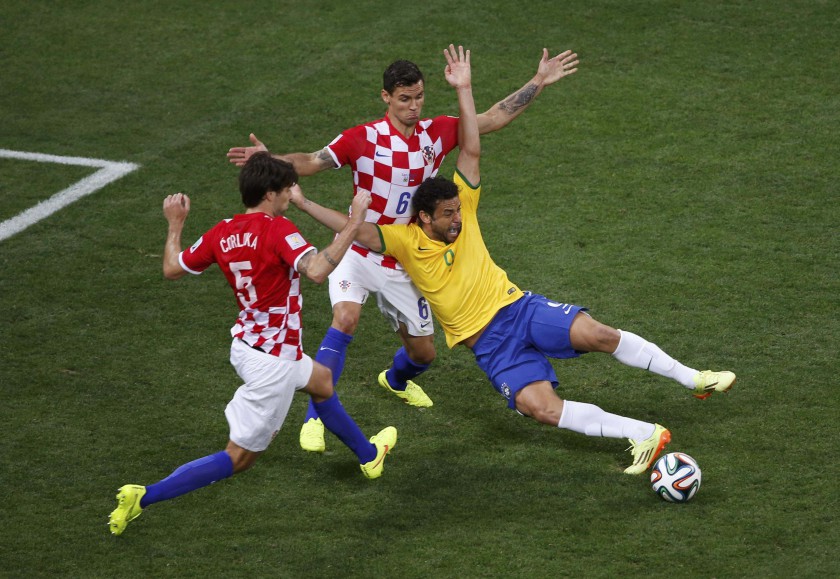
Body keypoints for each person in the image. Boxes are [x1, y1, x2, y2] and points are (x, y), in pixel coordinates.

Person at [289, 45, 736, 474]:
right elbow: (358, 230)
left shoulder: (461, 201)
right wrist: (305, 203)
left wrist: (474, 86)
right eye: (448, 216)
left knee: (598, 333)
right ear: (425, 217)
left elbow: (475, 144)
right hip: (489, 344)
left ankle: (693, 378)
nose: (457, 221)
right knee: (538, 408)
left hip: (518, 308)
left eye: (419, 95)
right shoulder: (401, 240)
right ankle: (645, 434)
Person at [227, 45, 580, 454]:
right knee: (345, 319)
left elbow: (492, 118)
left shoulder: (438, 132)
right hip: (358, 249)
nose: (413, 107)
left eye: (419, 97)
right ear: (386, 98)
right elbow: (311, 160)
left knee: (423, 353)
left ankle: (394, 380)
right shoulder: (362, 139)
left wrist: (538, 81)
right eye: (404, 99)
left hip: (409, 258)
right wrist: (269, 159)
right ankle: (314, 417)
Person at [108, 153, 397, 536]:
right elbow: (316, 270)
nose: (289, 196)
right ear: (270, 193)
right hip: (273, 362)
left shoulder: (221, 231)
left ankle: (369, 456)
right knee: (239, 458)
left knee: (322, 382)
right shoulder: (278, 230)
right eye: (285, 190)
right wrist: (356, 221)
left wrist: (175, 224)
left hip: (249, 344)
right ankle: (143, 496)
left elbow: (172, 267)